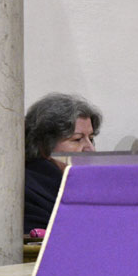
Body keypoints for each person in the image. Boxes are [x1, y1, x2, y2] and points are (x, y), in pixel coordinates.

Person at [24, 93, 102, 233]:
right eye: (77, 139)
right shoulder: (28, 192)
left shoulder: (90, 184)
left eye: (91, 138)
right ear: (44, 146)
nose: (90, 149)